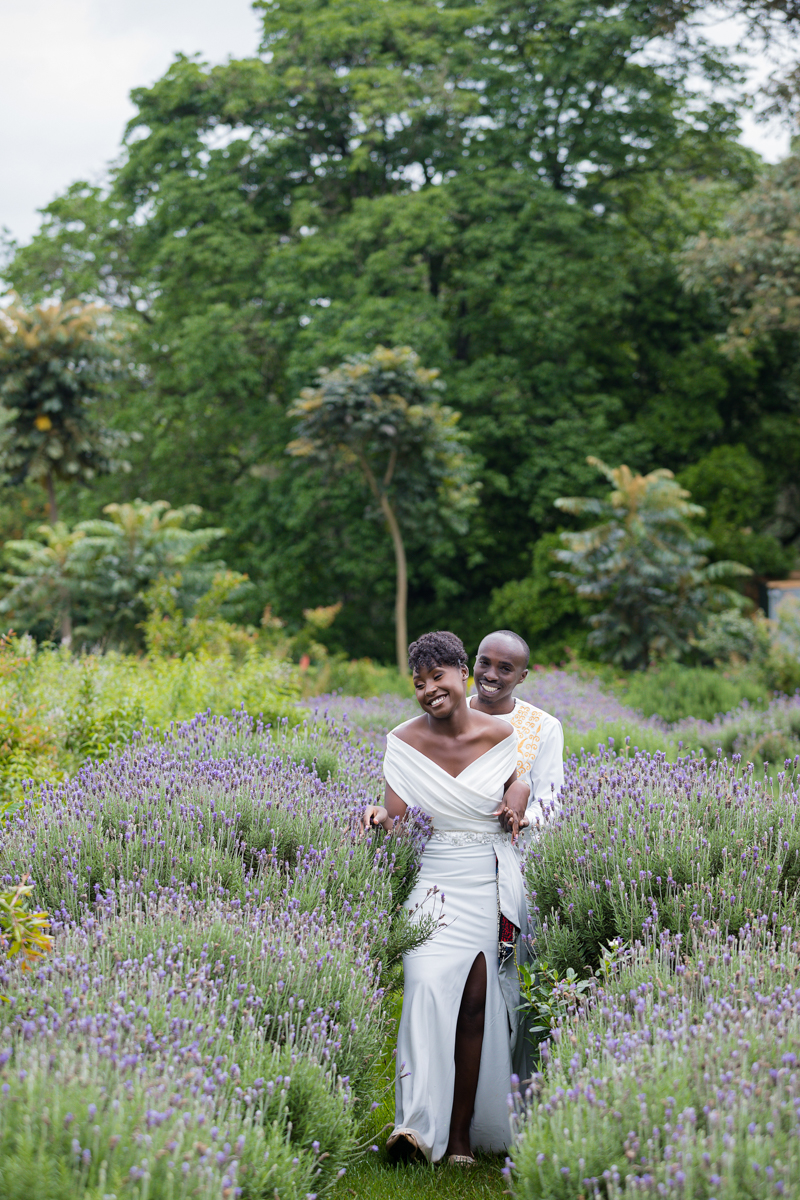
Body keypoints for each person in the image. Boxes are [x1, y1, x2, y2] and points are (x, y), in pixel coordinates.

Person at [361, 630, 528, 1167]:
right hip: (431, 883)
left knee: (475, 1007)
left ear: (461, 674)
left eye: (438, 676)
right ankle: (412, 1128)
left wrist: (516, 800)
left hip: (483, 879)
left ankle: (459, 1139)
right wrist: (376, 818)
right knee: (426, 990)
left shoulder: (498, 732)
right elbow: (397, 819)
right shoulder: (402, 741)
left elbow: (516, 782)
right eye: (419, 682)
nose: (429, 689)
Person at [469, 629, 564, 828]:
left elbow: (551, 802)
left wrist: (522, 819)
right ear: (474, 662)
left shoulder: (544, 726)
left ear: (522, 676)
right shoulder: (450, 715)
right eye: (484, 663)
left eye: (505, 669)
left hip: (514, 851)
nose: (491, 675)